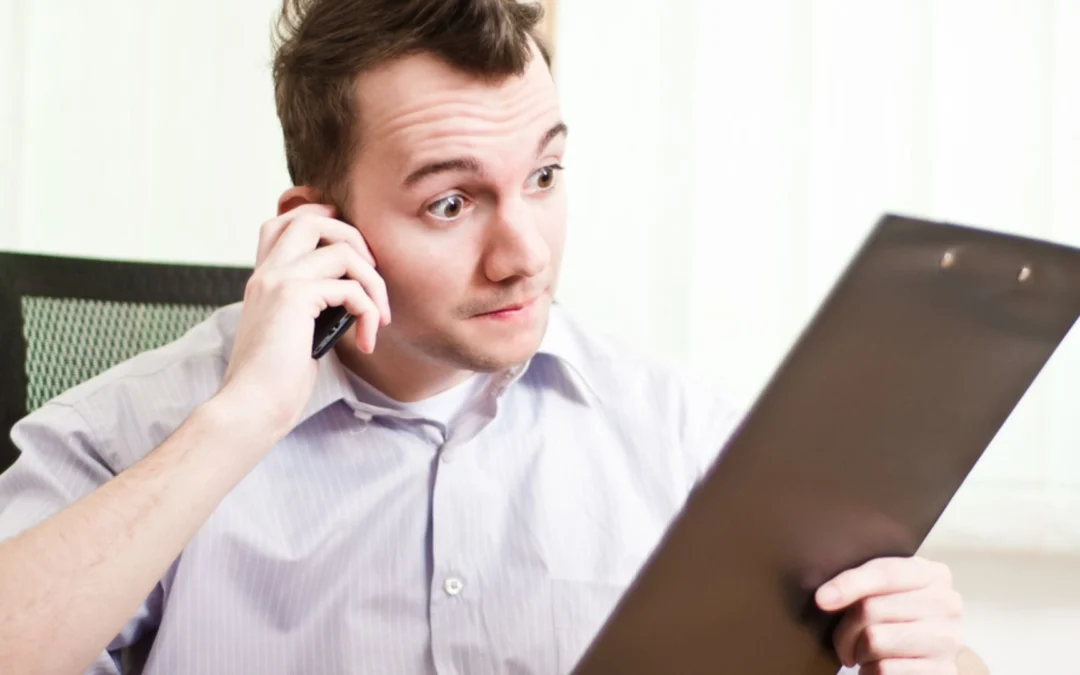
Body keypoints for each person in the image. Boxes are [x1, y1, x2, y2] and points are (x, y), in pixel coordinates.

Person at [0, 1, 986, 674]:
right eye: (450, 202)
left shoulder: (686, 439)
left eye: (545, 178)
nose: (523, 254)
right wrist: (243, 419)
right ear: (318, 224)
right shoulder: (128, 431)